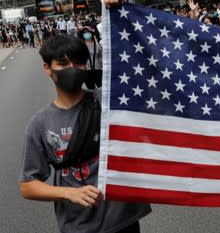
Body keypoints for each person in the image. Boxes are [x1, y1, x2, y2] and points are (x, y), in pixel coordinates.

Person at [19, 33, 151, 233]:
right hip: (78, 225)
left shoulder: (107, 100)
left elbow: (139, 68)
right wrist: (68, 193)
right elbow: (28, 185)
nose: (72, 69)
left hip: (124, 220)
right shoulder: (40, 124)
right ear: (47, 68)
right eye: (63, 64)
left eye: (79, 63)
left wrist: (119, 9)